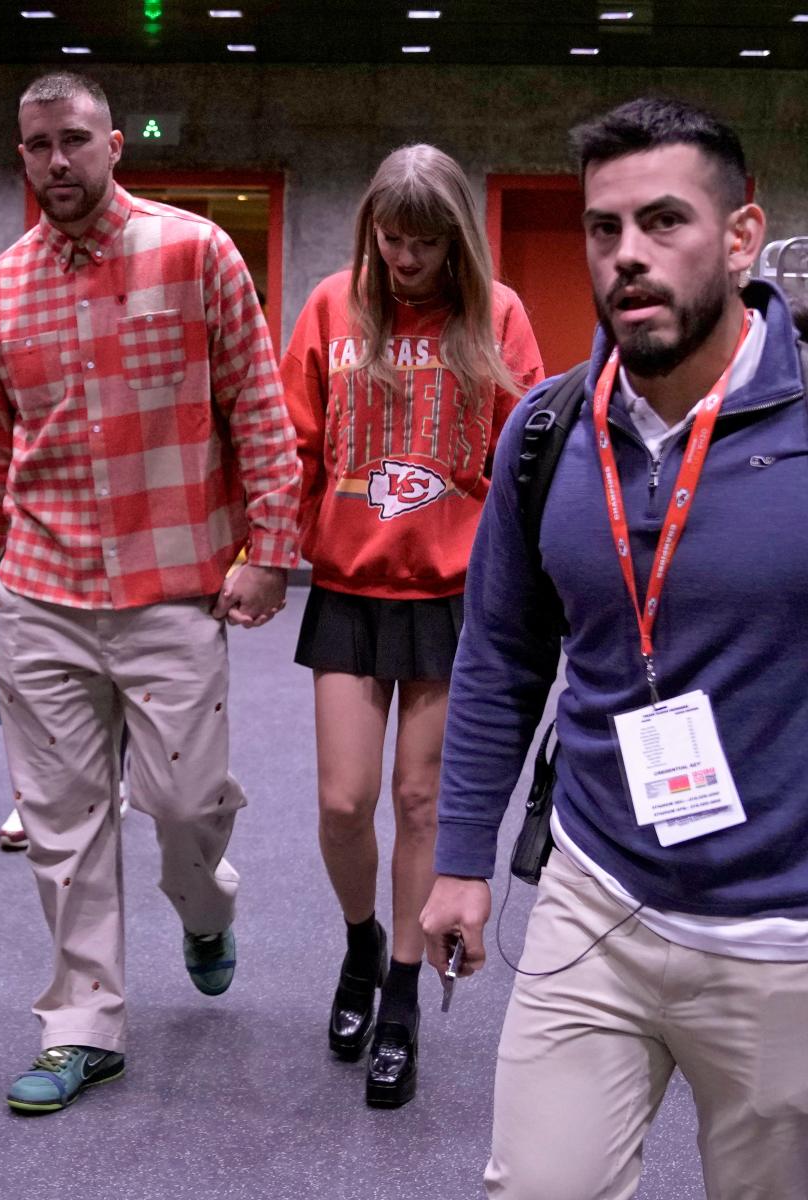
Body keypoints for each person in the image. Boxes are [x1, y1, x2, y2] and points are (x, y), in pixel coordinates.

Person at [421, 96, 808, 1199]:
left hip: (785, 934)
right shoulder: (546, 431)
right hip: (597, 898)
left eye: (665, 222)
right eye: (605, 228)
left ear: (740, 237)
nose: (628, 256)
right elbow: (499, 655)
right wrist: (458, 861)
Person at [0, 72, 300, 1114]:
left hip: (171, 589)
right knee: (61, 823)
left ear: (114, 146)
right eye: (38, 145)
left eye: (75, 140)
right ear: (22, 155)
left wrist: (269, 546)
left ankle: (205, 906)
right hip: (42, 593)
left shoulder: (196, 251)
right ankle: (81, 1024)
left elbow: (260, 409)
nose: (58, 161)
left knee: (187, 805)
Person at [281, 144, 543, 1108]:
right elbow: (293, 447)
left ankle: (398, 1001)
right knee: (346, 801)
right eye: (391, 240)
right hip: (349, 588)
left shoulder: (498, 314)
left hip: (449, 595)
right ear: (370, 231)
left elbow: (526, 462)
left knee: (420, 800)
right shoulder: (329, 309)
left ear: (455, 242)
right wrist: (262, 551)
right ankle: (361, 946)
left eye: (424, 245)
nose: (405, 260)